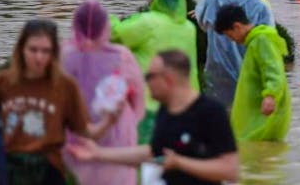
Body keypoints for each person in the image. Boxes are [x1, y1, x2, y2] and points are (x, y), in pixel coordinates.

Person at [67, 50, 239, 185]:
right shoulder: (166, 109)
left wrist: (181, 163)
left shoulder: (211, 112)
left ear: (168, 79)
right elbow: (152, 152)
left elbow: (230, 170)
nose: (146, 83)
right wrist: (99, 154)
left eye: (149, 77)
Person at [0, 20, 120, 185]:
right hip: (8, 167)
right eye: (33, 50)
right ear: (21, 50)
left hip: (48, 168)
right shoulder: (0, 83)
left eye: (45, 51)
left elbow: (85, 130)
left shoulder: (65, 86)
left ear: (54, 53)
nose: (39, 57)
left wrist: (108, 120)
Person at [62, 1, 145, 185]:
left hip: (75, 131)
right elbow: (139, 97)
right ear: (105, 26)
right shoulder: (121, 55)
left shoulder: (65, 54)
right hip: (117, 130)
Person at [111, 0, 199, 142]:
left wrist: (109, 19)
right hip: (187, 104)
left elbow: (117, 35)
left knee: (146, 154)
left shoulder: (148, 22)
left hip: (150, 103)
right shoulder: (189, 28)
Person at [197, 0, 276, 107]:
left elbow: (202, 23)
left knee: (217, 123)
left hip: (215, 75)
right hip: (245, 78)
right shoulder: (260, 6)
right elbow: (269, 45)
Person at [214, 6, 291, 142]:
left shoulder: (261, 41)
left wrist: (270, 95)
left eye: (229, 35)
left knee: (258, 156)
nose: (231, 40)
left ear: (237, 27)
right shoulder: (255, 41)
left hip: (262, 116)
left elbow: (273, 70)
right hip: (255, 115)